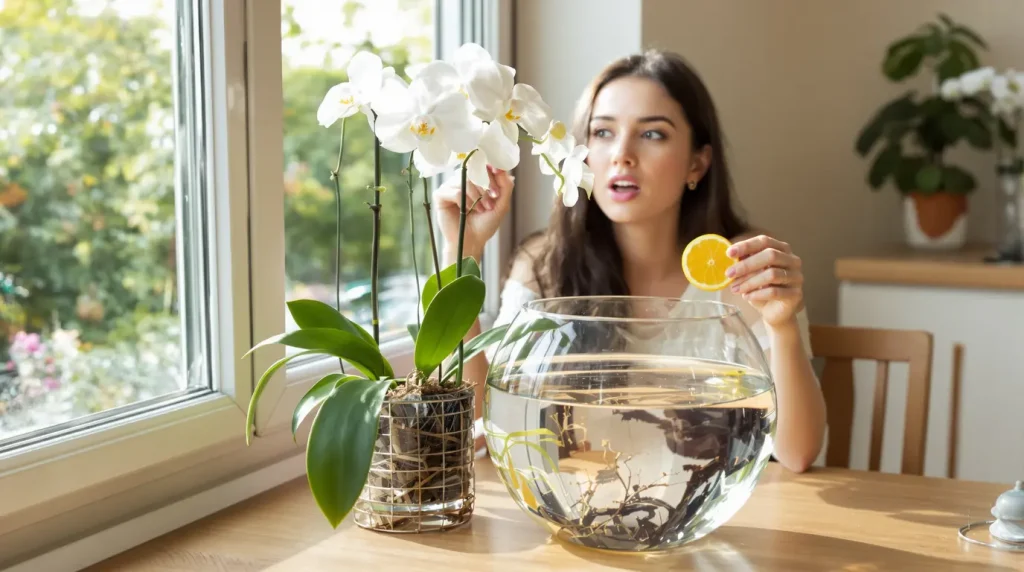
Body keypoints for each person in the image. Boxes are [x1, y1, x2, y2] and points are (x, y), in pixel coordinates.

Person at [433, 49, 826, 473]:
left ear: (698, 162)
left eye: (652, 134)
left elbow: (797, 453)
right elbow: (477, 433)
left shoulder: (741, 271)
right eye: (602, 133)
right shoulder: (544, 266)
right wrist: (462, 253)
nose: (622, 154)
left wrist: (782, 324)